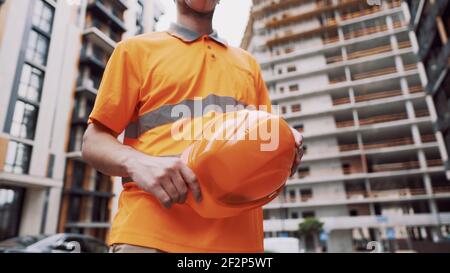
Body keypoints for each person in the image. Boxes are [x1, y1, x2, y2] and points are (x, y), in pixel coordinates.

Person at [82, 0, 303, 253]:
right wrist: (136, 162)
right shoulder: (134, 50)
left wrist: (285, 148)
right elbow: (93, 141)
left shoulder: (248, 64)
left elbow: (267, 144)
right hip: (149, 235)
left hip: (238, 244)